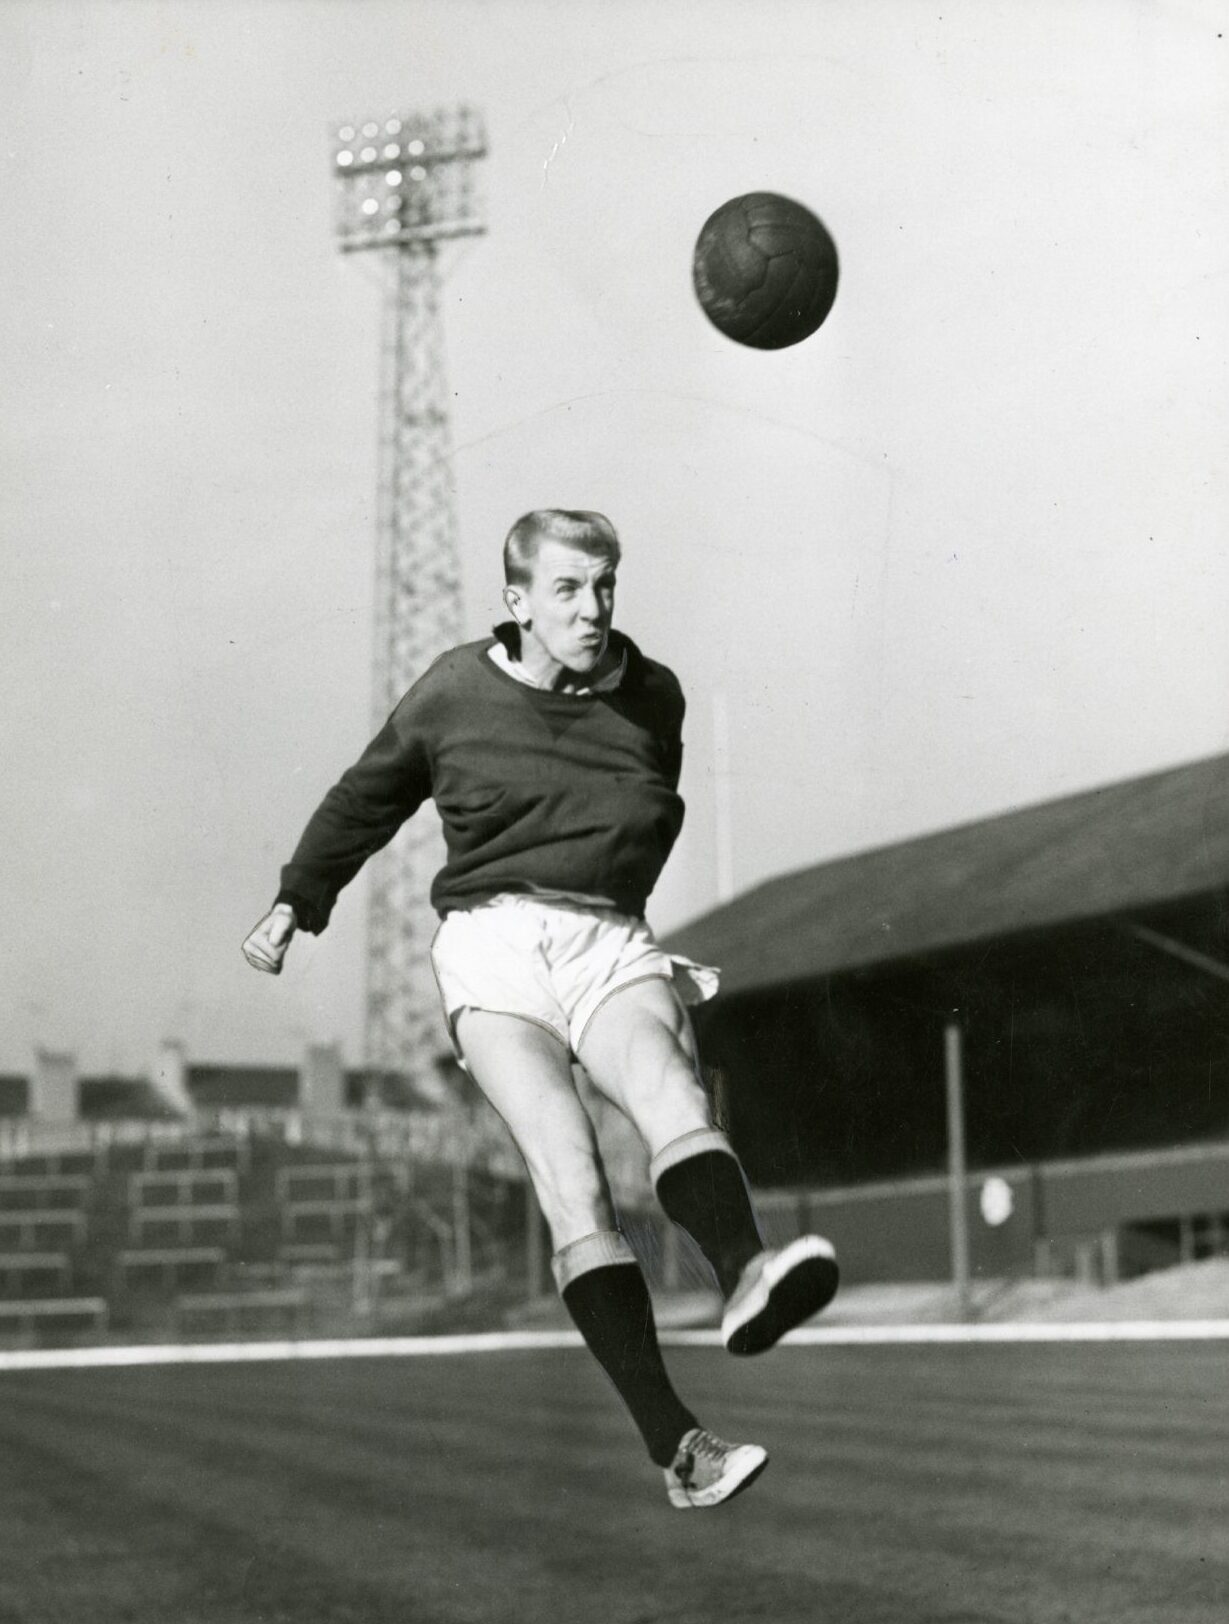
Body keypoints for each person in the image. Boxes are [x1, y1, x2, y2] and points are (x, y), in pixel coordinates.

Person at [242, 508, 838, 1509]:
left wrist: (612, 894)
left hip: (606, 933)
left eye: (604, 586)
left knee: (667, 1091)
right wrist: (297, 901)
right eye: (565, 589)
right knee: (572, 1178)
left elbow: (647, 808)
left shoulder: (653, 697)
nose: (591, 608)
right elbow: (363, 800)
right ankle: (679, 1449)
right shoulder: (453, 692)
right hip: (493, 944)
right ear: (514, 602)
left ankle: (745, 1274)